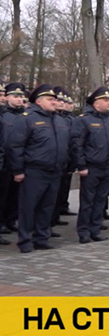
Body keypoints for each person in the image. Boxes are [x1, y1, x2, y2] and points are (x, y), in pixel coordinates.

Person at [7, 85, 70, 253]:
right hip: (34, 170)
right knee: (28, 207)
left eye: (54, 99)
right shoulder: (27, 118)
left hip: (55, 170)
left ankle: (41, 238)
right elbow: (15, 146)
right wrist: (18, 170)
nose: (54, 102)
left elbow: (65, 145)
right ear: (39, 101)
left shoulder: (59, 120)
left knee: (47, 206)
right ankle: (25, 240)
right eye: (50, 99)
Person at [72, 87, 109, 244]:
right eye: (106, 100)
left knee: (100, 200)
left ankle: (95, 229)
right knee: (87, 201)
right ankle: (83, 231)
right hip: (91, 167)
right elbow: (77, 145)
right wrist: (81, 166)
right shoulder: (84, 120)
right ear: (96, 104)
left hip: (108, 167)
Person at [0, 83, 27, 239]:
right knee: (3, 195)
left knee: (15, 195)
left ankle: (11, 219)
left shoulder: (25, 116)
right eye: (15, 96)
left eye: (21, 96)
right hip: (5, 162)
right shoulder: (3, 115)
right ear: (8, 97)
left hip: (19, 162)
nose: (19, 99)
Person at [51, 88, 76, 231]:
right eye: (59, 100)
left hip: (63, 160)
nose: (63, 104)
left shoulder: (64, 119)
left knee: (59, 191)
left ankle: (54, 217)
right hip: (43, 164)